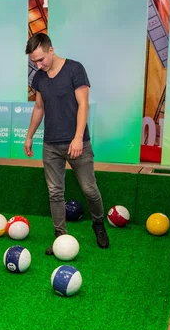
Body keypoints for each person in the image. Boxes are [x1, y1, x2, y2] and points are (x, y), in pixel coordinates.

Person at [23, 33, 109, 254]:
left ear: (51, 50)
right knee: (55, 193)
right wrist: (29, 136)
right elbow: (39, 108)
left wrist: (78, 137)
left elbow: (83, 105)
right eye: (34, 62)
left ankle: (98, 224)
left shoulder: (75, 69)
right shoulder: (39, 78)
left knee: (89, 189)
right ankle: (60, 237)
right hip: (51, 145)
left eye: (41, 59)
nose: (38, 65)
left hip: (77, 143)